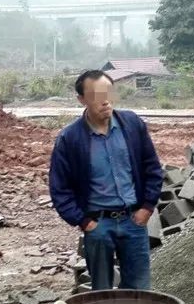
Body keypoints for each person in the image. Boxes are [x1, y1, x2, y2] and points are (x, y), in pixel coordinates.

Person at [48, 70, 162, 290]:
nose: (105, 101)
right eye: (96, 96)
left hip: (134, 221)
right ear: (81, 99)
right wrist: (84, 222)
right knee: (101, 292)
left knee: (140, 290)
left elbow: (152, 168)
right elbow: (59, 188)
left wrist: (147, 207)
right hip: (98, 226)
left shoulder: (132, 125)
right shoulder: (70, 138)